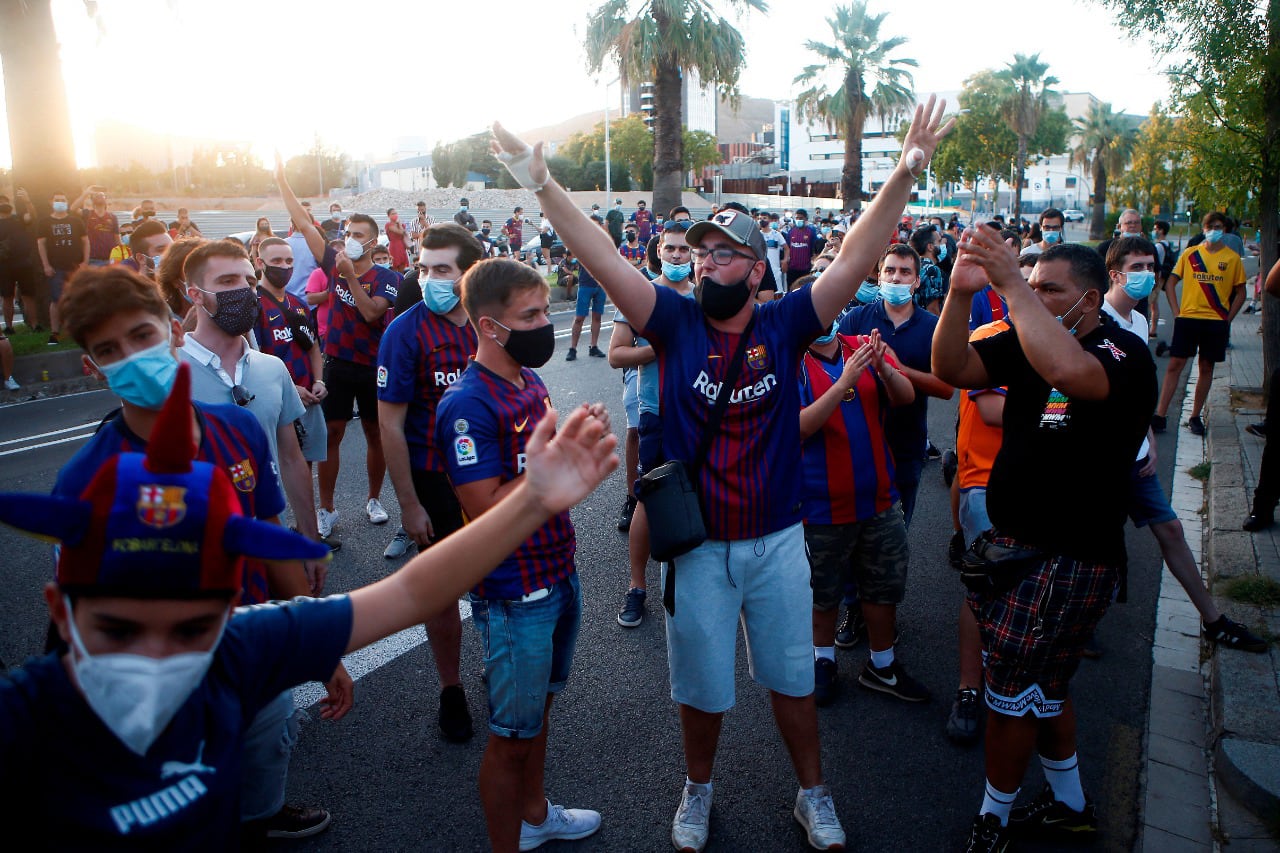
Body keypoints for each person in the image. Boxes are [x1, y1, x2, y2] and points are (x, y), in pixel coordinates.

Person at [491, 94, 954, 852]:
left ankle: (814, 793)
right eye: (702, 252)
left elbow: (855, 256)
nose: (708, 261)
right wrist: (539, 182)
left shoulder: (787, 321)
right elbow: (602, 257)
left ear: (758, 266)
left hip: (777, 542)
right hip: (699, 549)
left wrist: (906, 171)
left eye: (726, 252)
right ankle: (697, 789)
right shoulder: (671, 321)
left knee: (793, 680)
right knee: (701, 690)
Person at [0, 354, 618, 850]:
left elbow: (412, 589)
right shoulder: (27, 719)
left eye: (193, 629)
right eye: (117, 629)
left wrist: (534, 499)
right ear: (60, 611)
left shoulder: (242, 647)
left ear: (231, 608)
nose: (157, 660)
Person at [50, 268, 341, 840]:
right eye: (108, 350)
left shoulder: (237, 429)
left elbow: (265, 531)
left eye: (142, 335)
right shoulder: (85, 479)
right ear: (92, 367)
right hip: (163, 677)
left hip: (251, 645)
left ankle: (262, 816)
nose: (132, 357)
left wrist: (312, 646)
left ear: (174, 331)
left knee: (266, 745)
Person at [932, 232, 1157, 852]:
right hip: (1014, 546)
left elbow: (1068, 371)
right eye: (1031, 286)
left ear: (1088, 299)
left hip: (1071, 556)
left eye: (1048, 288)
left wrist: (1009, 284)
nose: (1034, 296)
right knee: (1044, 686)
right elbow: (951, 367)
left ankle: (992, 820)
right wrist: (956, 295)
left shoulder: (1122, 351)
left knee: (1012, 696)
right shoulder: (1026, 332)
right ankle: (1072, 806)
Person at [436, 258, 606, 852]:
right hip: (513, 592)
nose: (542, 324)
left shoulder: (527, 382)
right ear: (489, 326)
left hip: (558, 572)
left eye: (542, 311)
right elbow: (483, 506)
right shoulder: (466, 404)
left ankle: (535, 816)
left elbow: (539, 464)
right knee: (509, 736)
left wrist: (569, 443)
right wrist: (553, 465)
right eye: (529, 315)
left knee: (538, 715)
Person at [1098, 237, 1265, 652]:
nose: (1147, 275)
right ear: (1114, 274)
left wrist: (1150, 437)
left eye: (1151, 267)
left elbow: (1136, 396)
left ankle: (1213, 620)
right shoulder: (1092, 319)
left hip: (1136, 458)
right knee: (1095, 544)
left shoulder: (1137, 321)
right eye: (1137, 267)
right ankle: (1077, 622)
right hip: (1100, 461)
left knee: (1170, 528)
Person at [376, 223, 483, 742]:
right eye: (423, 268)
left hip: (488, 479)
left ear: (470, 274)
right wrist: (408, 504)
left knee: (498, 577)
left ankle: (499, 659)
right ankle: (451, 688)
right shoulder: (404, 331)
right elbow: (390, 423)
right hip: (434, 480)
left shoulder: (490, 323)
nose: (428, 279)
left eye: (442, 269)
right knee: (442, 591)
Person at [275, 156, 398, 538]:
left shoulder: (387, 277)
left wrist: (349, 278)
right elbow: (305, 222)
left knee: (377, 435)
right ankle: (326, 508)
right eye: (348, 231)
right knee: (332, 434)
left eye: (360, 234)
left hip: (374, 366)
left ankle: (374, 499)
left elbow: (370, 313)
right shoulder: (334, 260)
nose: (351, 238)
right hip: (338, 363)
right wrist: (282, 181)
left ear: (373, 241)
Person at [798, 321, 918, 707]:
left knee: (883, 585)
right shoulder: (789, 361)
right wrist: (844, 381)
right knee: (823, 590)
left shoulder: (863, 345)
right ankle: (823, 661)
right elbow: (797, 428)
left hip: (879, 499)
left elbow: (905, 396)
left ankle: (883, 666)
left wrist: (885, 369)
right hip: (820, 505)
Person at [607, 218, 695, 627]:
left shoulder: (705, 298)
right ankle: (637, 587)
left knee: (700, 494)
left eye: (684, 249)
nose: (678, 255)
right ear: (659, 250)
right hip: (655, 412)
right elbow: (616, 355)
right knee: (649, 498)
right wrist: (656, 350)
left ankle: (697, 583)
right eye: (671, 248)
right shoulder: (641, 296)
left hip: (699, 413)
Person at [1151, 211, 1246, 436]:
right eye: (1210, 226)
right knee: (1175, 365)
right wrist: (1177, 312)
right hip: (1188, 320)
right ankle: (1160, 415)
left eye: (1219, 226)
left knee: (1206, 367)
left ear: (1224, 230)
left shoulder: (1231, 259)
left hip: (1215, 322)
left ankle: (1195, 416)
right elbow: (1171, 283)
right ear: (1203, 228)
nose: (1214, 230)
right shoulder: (1191, 254)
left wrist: (1227, 319)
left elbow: (1241, 293)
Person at [252, 236, 328, 474]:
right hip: (275, 399)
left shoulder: (299, 304)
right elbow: (254, 358)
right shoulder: (254, 305)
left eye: (289, 261)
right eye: (276, 260)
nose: (284, 267)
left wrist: (319, 381)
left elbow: (313, 346)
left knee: (305, 463)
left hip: (308, 397)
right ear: (259, 263)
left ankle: (308, 512)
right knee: (274, 467)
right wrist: (290, 389)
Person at [36, 189, 90, 346]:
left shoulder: (76, 221)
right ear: (51, 202)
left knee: (78, 298)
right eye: (57, 199)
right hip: (55, 267)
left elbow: (85, 241)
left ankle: (78, 331)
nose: (61, 202)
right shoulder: (44, 222)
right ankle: (55, 333)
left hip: (76, 266)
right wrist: (46, 265)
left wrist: (85, 262)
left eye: (63, 199)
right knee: (56, 300)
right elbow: (41, 244)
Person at [565, 217, 609, 362]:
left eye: (597, 225)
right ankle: (572, 348)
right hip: (586, 284)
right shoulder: (581, 242)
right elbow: (570, 258)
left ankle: (593, 346)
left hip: (600, 285)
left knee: (597, 316)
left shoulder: (604, 242)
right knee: (579, 318)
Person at [0, 193, 40, 334]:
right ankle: (9, 327)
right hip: (4, 265)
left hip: (23, 262)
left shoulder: (18, 218)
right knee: (7, 296)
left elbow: (32, 216)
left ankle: (35, 325)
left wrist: (27, 201)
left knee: (28, 295)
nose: (3, 203)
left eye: (5, 201)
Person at [911, 225, 947, 315]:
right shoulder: (932, 270)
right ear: (930, 247)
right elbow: (933, 309)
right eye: (939, 242)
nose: (942, 245)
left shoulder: (912, 266)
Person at [80, 189, 119, 267]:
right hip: (93, 260)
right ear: (92, 200)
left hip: (111, 259)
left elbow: (117, 239)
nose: (100, 197)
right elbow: (73, 208)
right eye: (97, 196)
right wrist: (85, 194)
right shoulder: (87, 214)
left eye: (102, 195)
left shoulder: (112, 217)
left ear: (105, 199)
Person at [786, 209, 820, 287]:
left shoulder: (811, 232)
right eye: (797, 218)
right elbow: (787, 248)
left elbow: (815, 248)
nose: (798, 220)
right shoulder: (791, 232)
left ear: (806, 219)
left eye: (801, 218)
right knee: (791, 290)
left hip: (805, 269)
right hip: (792, 268)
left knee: (804, 291)